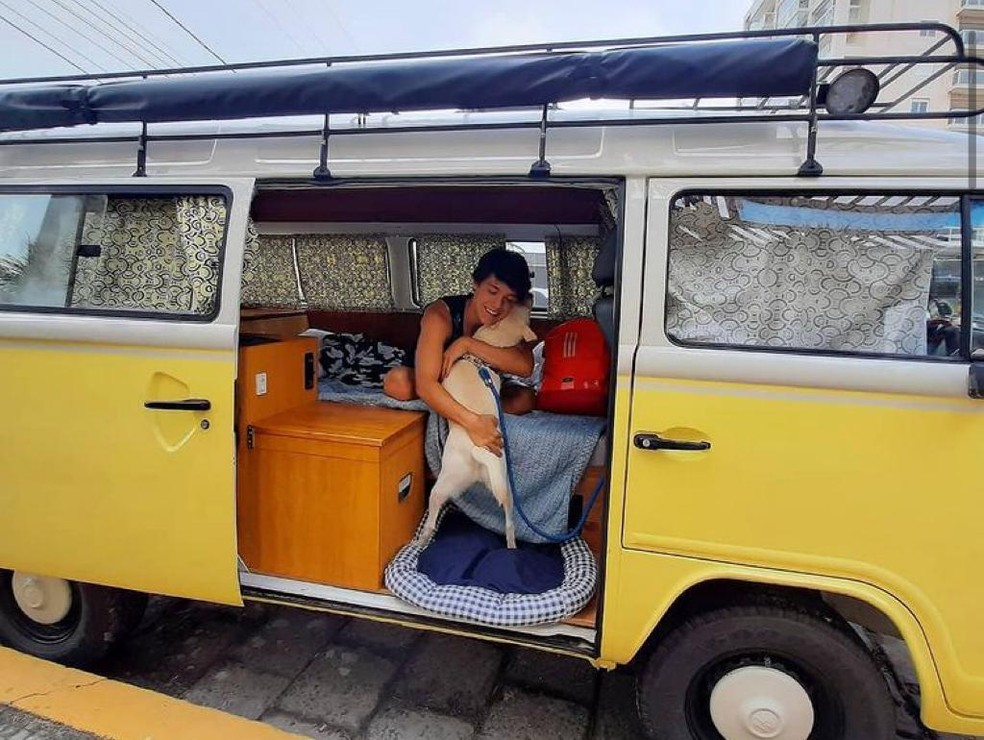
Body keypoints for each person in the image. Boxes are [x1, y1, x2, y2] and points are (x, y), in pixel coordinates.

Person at [383, 249, 537, 457]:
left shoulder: (509, 317)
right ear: (475, 283)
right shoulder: (440, 314)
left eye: (509, 299)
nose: (497, 305)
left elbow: (525, 367)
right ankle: (456, 408)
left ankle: (458, 407)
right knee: (398, 382)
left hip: (477, 385)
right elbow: (426, 383)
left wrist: (467, 344)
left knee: (526, 398)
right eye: (492, 291)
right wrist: (472, 423)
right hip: (438, 380)